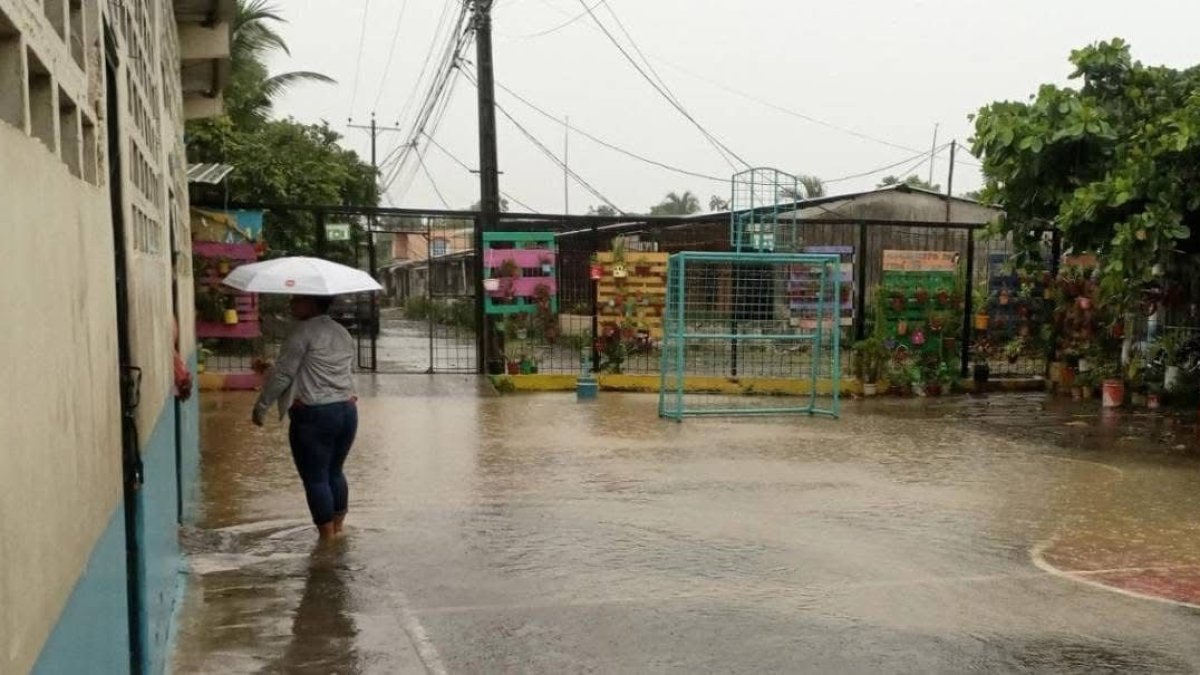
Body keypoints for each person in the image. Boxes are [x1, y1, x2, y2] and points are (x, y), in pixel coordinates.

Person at [253, 295, 358, 541]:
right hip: (347, 410)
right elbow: (317, 370)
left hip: (314, 415)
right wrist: (270, 370)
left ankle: (326, 544)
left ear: (312, 303)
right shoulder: (342, 332)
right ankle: (338, 532)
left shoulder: (300, 332)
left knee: (316, 477)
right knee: (335, 472)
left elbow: (283, 376)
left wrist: (261, 407)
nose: (291, 304)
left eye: (296, 300)